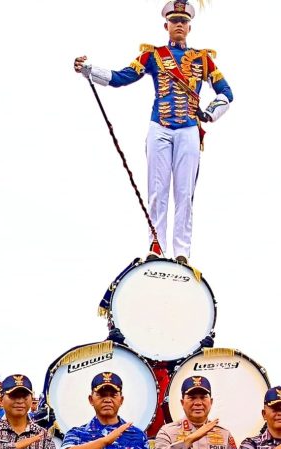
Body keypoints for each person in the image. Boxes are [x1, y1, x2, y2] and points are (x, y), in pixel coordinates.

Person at [73, 0, 234, 262]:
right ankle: (156, 247)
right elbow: (121, 77)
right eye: (174, 21)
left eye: (183, 21)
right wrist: (90, 70)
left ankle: (182, 252)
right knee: (157, 190)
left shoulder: (204, 60)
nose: (179, 25)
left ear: (189, 27)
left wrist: (209, 113)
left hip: (190, 129)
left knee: (184, 192)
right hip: (159, 126)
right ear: (166, 25)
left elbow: (226, 92)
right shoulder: (153, 56)